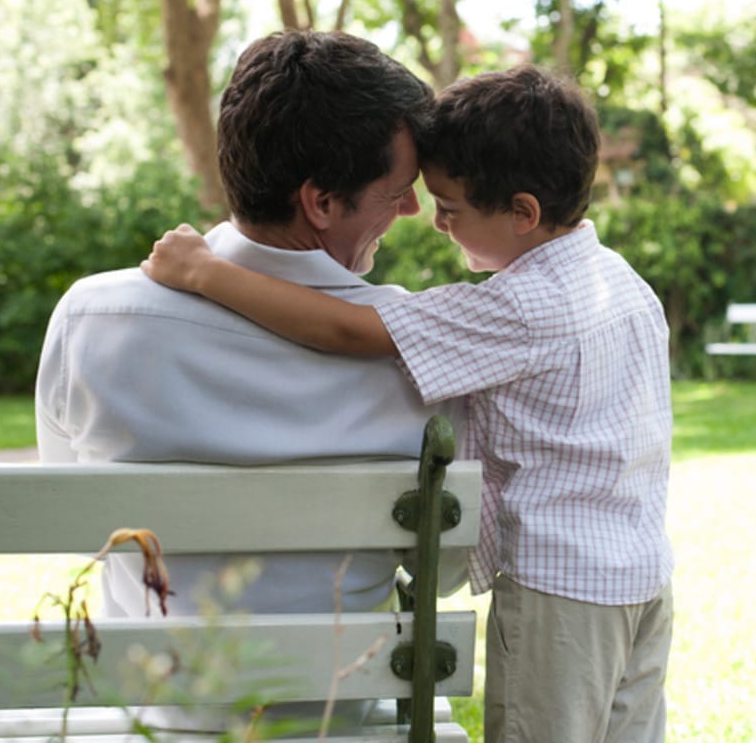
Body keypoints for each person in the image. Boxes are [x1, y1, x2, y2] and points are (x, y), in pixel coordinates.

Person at [142, 64, 676, 743]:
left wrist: (204, 272)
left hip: (561, 594)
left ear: (523, 213)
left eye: (449, 209)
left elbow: (346, 328)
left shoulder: (522, 306)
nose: (435, 223)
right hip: (643, 579)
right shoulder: (620, 281)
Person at [35, 29, 466, 624]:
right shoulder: (419, 349)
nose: (412, 209)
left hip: (151, 702)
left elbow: (77, 523)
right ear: (321, 203)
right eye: (396, 193)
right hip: (335, 704)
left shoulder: (92, 317)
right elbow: (446, 570)